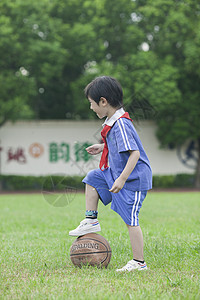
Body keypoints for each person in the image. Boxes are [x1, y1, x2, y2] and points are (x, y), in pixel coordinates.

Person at [69, 76, 152, 272]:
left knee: (131, 220)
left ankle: (139, 262)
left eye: (92, 103)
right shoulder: (114, 122)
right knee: (92, 178)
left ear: (103, 101)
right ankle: (91, 220)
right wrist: (103, 146)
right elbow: (120, 145)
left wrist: (122, 179)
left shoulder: (121, 124)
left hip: (132, 180)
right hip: (114, 174)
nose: (91, 108)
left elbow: (135, 153)